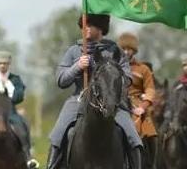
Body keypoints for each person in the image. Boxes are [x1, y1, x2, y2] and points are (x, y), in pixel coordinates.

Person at [45, 14, 142, 169]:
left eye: (90, 25)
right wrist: (77, 67)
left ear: (101, 28)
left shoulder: (114, 50)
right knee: (58, 134)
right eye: (84, 26)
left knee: (133, 138)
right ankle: (51, 165)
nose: (86, 29)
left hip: (112, 101)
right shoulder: (74, 51)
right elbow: (61, 80)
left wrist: (114, 75)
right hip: (79, 98)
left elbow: (128, 78)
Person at [0, 51, 39, 168]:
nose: (2, 66)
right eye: (0, 63)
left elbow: (19, 96)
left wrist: (8, 85)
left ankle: (28, 156)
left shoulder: (15, 79)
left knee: (21, 128)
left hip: (10, 114)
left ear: (9, 64)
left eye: (5, 63)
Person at [118, 32, 158, 169]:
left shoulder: (143, 69)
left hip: (137, 105)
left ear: (134, 50)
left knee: (150, 131)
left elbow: (150, 90)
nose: (126, 52)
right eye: (123, 48)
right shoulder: (114, 66)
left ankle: (151, 164)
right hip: (117, 103)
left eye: (129, 49)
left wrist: (143, 106)